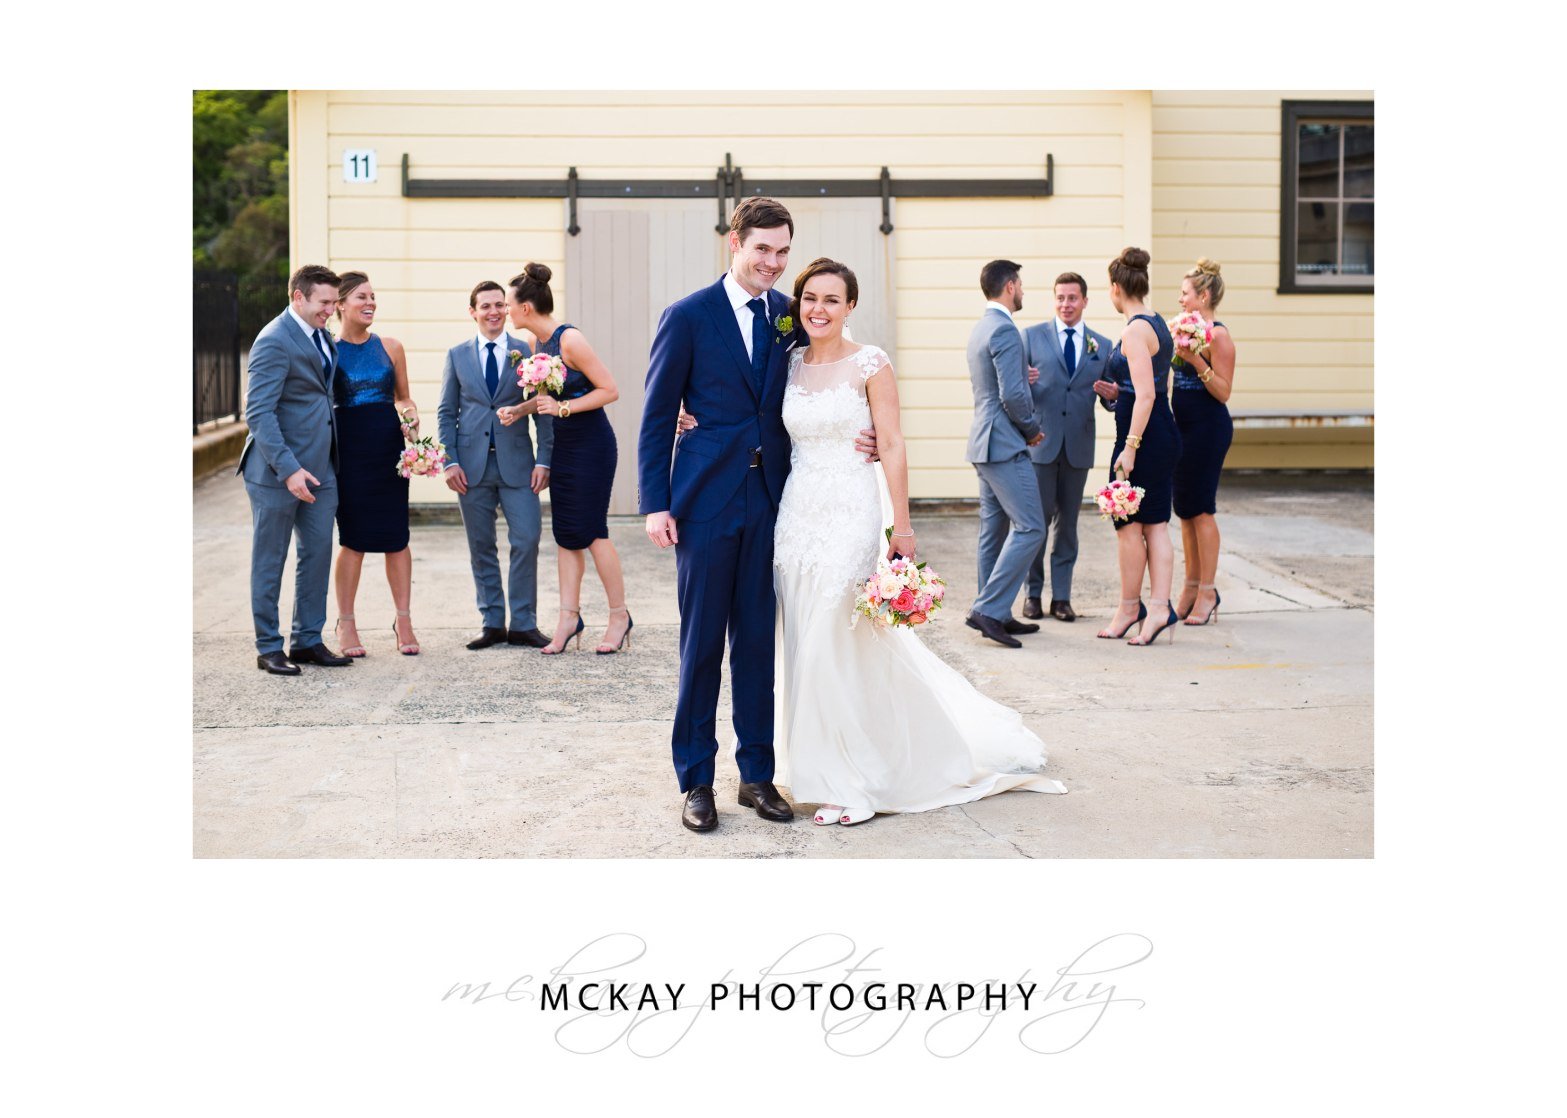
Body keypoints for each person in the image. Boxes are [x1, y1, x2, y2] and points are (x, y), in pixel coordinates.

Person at [771, 258, 1067, 825]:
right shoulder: (787, 364)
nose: (818, 309)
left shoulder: (871, 363)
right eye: (810, 298)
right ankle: (812, 765)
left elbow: (894, 443)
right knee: (806, 639)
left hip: (854, 508)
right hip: (797, 513)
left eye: (832, 299)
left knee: (836, 630)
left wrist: (900, 527)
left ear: (851, 306)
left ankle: (856, 783)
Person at [637, 196, 876, 834]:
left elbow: (822, 383)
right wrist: (656, 502)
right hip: (704, 504)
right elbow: (659, 414)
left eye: (782, 252)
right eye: (762, 249)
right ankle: (695, 781)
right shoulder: (688, 316)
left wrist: (869, 432)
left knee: (756, 647)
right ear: (734, 244)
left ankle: (756, 776)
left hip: (774, 502)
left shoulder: (787, 319)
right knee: (701, 647)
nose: (772, 263)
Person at [497, 264, 631, 655]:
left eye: (508, 305)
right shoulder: (539, 347)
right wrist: (518, 412)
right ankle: (568, 617)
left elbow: (610, 390)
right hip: (565, 450)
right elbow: (546, 403)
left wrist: (565, 410)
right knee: (566, 536)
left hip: (592, 447)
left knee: (592, 532)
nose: (506, 312)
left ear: (525, 308)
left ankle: (619, 616)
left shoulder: (569, 340)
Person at [237, 264, 352, 675]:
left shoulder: (322, 336)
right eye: (324, 302)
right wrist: (289, 470)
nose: (330, 310)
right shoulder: (273, 340)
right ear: (298, 297)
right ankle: (269, 647)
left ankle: (307, 640)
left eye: (334, 302)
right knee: (270, 560)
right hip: (276, 473)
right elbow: (259, 412)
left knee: (317, 555)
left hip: (322, 470)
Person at [437, 280, 554, 650]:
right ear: (472, 311)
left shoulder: (527, 351)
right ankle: (492, 622)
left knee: (527, 539)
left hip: (519, 465)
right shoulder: (457, 355)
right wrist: (449, 461)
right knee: (481, 544)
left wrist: (544, 459)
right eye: (485, 306)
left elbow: (542, 411)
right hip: (470, 467)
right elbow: (446, 413)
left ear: (507, 309)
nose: (493, 312)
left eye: (499, 305)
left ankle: (523, 622)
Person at [327, 271, 421, 657]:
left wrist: (411, 419)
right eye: (361, 297)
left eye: (373, 297)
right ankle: (346, 622)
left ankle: (404, 619)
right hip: (350, 451)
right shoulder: (328, 350)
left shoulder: (391, 346)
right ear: (340, 305)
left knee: (397, 538)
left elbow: (403, 397)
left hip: (389, 451)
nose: (370, 303)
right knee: (353, 540)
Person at [1098, 247, 1183, 646]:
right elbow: (1141, 389)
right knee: (1154, 525)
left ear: (1116, 288)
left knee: (1129, 525)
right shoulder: (1157, 323)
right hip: (1159, 431)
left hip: (1143, 437)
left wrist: (1130, 448)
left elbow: (1147, 394)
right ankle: (1156, 606)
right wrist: (1119, 393)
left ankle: (1134, 607)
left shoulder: (1133, 330)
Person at [1020, 272, 1114, 623]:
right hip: (1041, 446)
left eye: (1072, 298)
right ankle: (1032, 595)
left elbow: (1109, 397)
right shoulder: (1031, 337)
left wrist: (1114, 398)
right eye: (1060, 297)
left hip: (1077, 446)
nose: (1066, 304)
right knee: (1037, 524)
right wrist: (1024, 385)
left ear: (1085, 301)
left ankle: (1062, 598)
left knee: (1068, 527)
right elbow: (1016, 392)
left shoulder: (1101, 346)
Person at [964, 260, 1045, 648]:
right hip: (1004, 443)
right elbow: (1011, 396)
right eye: (1022, 285)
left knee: (993, 532)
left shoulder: (982, 328)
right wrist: (1032, 429)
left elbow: (999, 384)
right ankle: (989, 610)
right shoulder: (1006, 330)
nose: (1024, 291)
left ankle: (994, 610)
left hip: (983, 441)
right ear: (1010, 286)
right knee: (1032, 527)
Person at [1170, 258, 1236, 626]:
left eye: (1185, 293)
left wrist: (1195, 361)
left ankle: (1208, 590)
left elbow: (1224, 392)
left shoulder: (1220, 335)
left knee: (1202, 509)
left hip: (1209, 430)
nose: (1180, 300)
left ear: (1204, 295)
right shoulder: (1182, 328)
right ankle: (1190, 585)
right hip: (1182, 427)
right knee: (1185, 510)